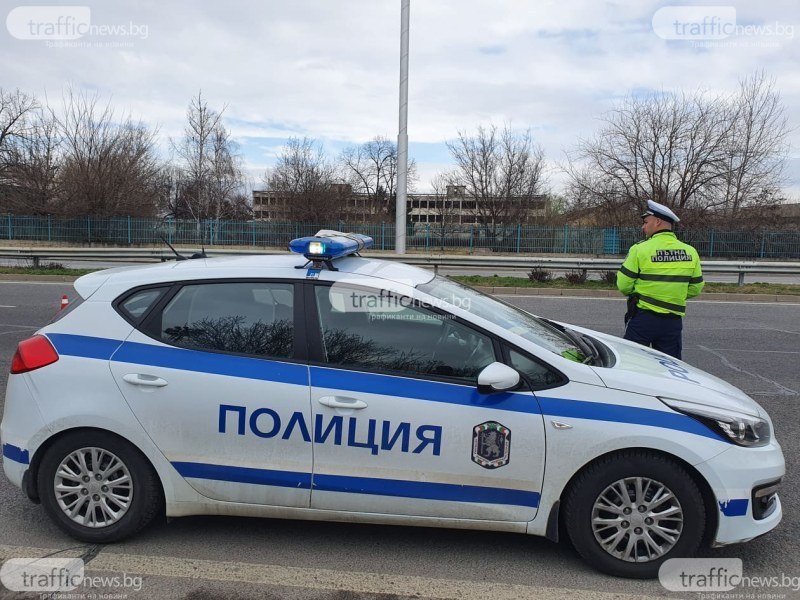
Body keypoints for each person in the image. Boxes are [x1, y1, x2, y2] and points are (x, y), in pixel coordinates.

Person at [616, 199, 704, 360]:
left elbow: (623, 285)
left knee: (632, 365)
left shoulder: (639, 249)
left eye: (645, 222)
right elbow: (695, 288)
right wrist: (672, 295)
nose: (643, 227)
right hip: (672, 322)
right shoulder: (690, 251)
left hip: (643, 319)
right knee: (669, 369)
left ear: (657, 222)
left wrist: (644, 293)